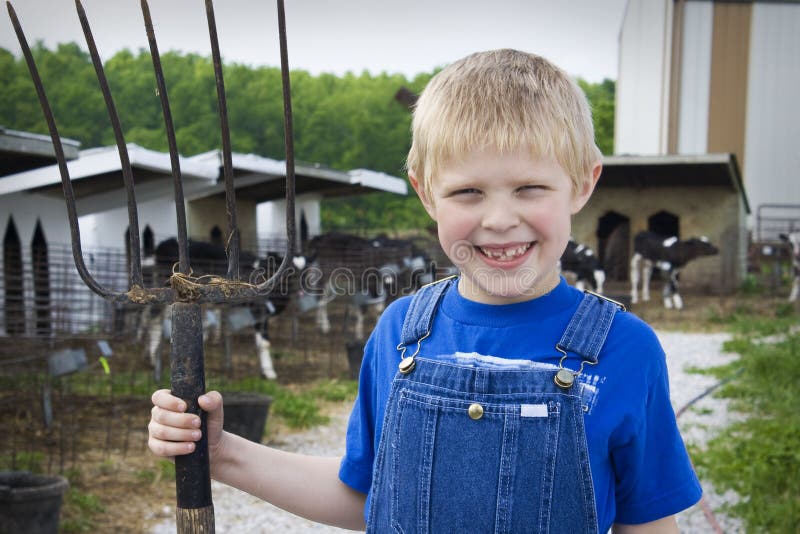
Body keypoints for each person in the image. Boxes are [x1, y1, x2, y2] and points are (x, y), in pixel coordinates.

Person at [148, 49, 702, 533]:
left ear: (582, 183)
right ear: (426, 194)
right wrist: (222, 455)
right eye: (467, 192)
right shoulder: (401, 332)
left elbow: (649, 523)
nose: (500, 219)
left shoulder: (627, 350)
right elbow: (363, 495)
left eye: (530, 188)